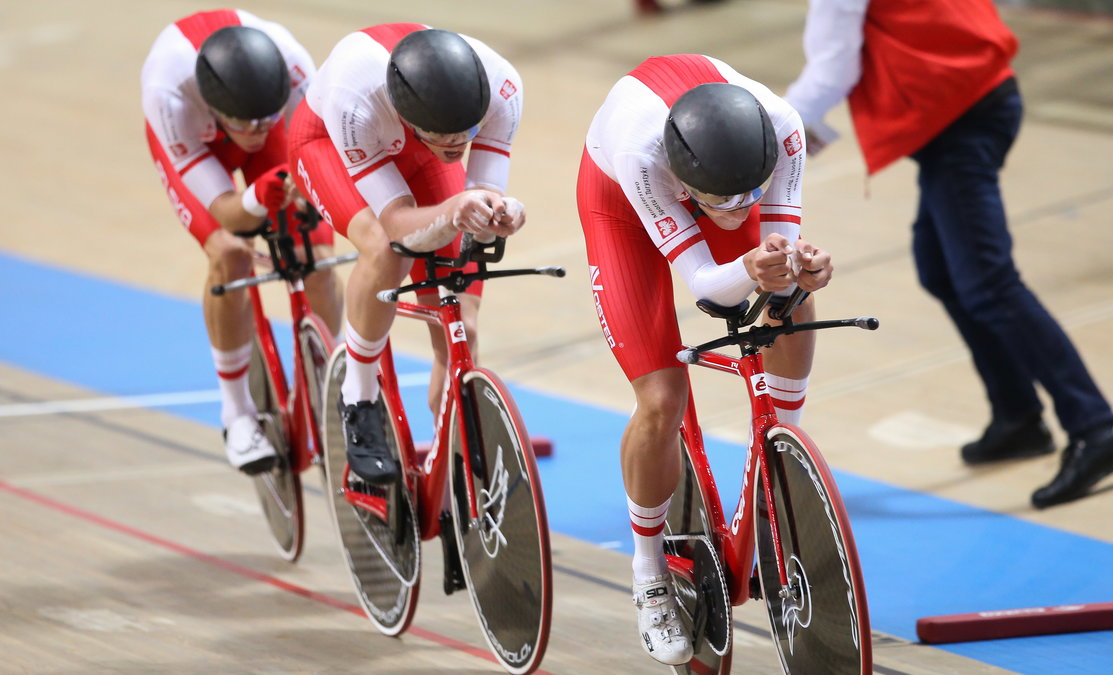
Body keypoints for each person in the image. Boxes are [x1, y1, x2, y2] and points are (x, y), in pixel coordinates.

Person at [782, 0, 1113, 509]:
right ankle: (1017, 415)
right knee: (944, 270)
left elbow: (835, 65)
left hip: (961, 119)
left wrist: (778, 129)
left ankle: (1097, 428)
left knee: (988, 283)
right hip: (968, 105)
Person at [578, 54, 832, 665]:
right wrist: (746, 265)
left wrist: (803, 265)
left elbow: (780, 249)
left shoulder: (785, 129)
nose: (741, 207)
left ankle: (780, 465)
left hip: (707, 168)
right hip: (620, 201)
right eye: (724, 200)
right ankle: (648, 572)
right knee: (662, 400)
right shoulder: (643, 154)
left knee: (790, 291)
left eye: (753, 191)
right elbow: (703, 284)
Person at [288, 24, 526, 485]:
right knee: (384, 247)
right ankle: (357, 398)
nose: (459, 143)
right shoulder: (354, 97)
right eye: (445, 133)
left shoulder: (502, 87)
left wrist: (500, 211)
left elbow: (483, 192)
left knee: (462, 322)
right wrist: (454, 209)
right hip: (327, 144)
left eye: (469, 132)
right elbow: (397, 224)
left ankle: (451, 452)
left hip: (419, 153)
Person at [142, 9, 342, 475]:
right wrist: (255, 198)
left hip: (278, 130)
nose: (255, 131)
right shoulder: (167, 95)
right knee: (230, 253)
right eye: (244, 122)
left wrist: (302, 193)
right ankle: (236, 414)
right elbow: (229, 212)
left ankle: (324, 391)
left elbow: (317, 164)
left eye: (264, 118)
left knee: (317, 258)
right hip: (196, 144)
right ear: (215, 106)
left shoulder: (295, 70)